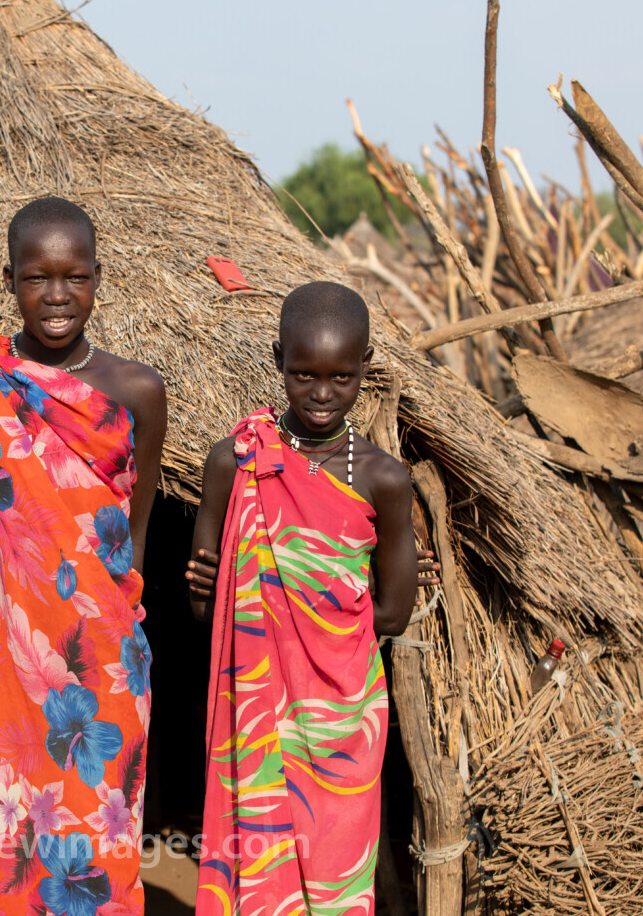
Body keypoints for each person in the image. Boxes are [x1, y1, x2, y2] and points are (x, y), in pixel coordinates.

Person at [0, 197, 167, 916]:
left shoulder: (138, 390)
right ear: (9, 280)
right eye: (37, 278)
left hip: (104, 652)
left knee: (97, 834)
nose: (56, 296)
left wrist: (127, 631)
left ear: (98, 278)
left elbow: (134, 526)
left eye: (74, 277)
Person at [185, 281, 420, 916]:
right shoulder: (234, 463)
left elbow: (394, 612)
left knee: (338, 878)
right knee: (257, 863)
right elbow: (206, 611)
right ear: (277, 360)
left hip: (344, 719)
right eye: (303, 374)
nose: (321, 394)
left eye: (341, 377)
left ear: (364, 369)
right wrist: (210, 586)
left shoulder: (384, 480)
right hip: (255, 707)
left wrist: (321, 616)